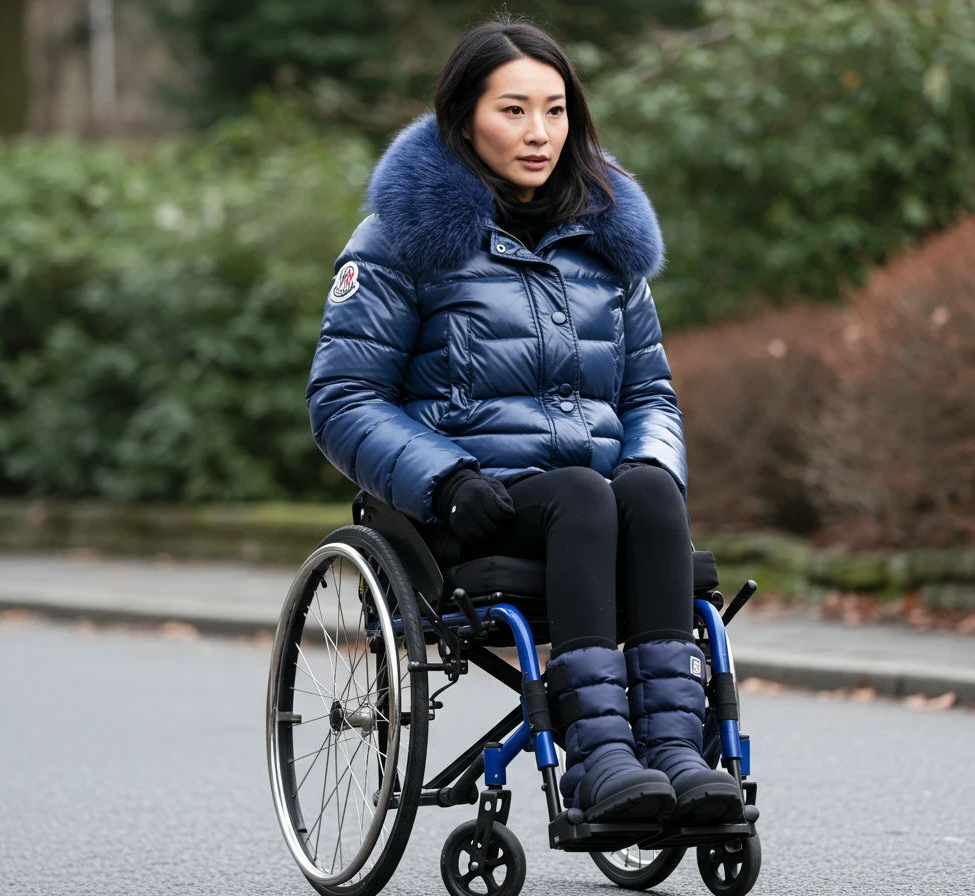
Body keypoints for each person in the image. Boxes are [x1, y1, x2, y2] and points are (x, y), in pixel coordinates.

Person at [306, 18, 742, 827]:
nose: (539, 132)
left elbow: (651, 395)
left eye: (555, 110)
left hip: (594, 507)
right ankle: (599, 760)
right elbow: (343, 400)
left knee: (648, 492)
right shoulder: (400, 241)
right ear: (463, 117)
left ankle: (678, 755)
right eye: (513, 110)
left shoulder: (607, 246)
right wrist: (446, 480)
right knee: (582, 494)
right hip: (467, 510)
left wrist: (651, 460)